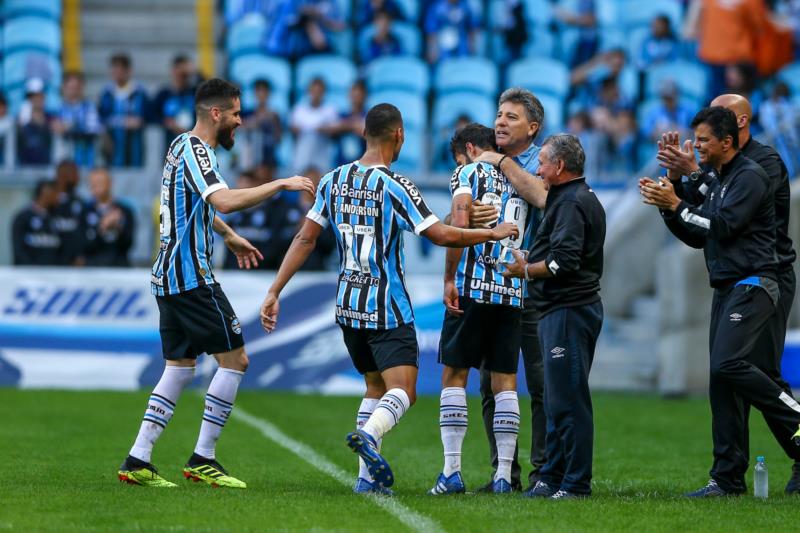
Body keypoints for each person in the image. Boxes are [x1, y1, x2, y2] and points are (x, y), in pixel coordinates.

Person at [259, 103, 519, 495]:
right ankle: (368, 433)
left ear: (365, 134)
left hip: (347, 306)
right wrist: (492, 233)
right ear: (398, 135)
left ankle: (366, 480)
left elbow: (305, 239)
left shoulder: (333, 179)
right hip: (387, 306)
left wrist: (274, 290)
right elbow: (442, 236)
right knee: (403, 390)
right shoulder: (397, 185)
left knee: (374, 387)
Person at [117, 78, 315, 489]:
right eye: (236, 114)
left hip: (168, 277)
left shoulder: (179, 146)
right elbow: (221, 199)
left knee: (179, 367)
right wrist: (281, 183)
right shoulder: (197, 151)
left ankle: (138, 459)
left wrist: (225, 234)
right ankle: (203, 457)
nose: (240, 122)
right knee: (236, 360)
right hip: (191, 278)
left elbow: (192, 204)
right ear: (215, 113)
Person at [641, 106, 800, 497]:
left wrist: (678, 200)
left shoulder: (754, 171)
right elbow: (699, 234)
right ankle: (727, 478)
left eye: (704, 141)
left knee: (732, 364)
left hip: (758, 282)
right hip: (729, 284)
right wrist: (670, 200)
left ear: (729, 139)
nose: (696, 147)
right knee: (723, 378)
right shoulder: (725, 175)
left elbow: (721, 224)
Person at [429, 123, 534, 495]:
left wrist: (448, 278)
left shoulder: (468, 170)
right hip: (512, 287)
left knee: (455, 375)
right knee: (504, 380)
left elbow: (459, 222)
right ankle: (504, 476)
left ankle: (452, 473)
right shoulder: (521, 176)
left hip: (473, 285)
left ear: (470, 149)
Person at [501, 134, 605, 499]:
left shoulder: (572, 203)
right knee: (557, 400)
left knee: (568, 400)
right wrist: (529, 259)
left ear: (559, 167)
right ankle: (552, 478)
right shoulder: (569, 198)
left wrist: (526, 271)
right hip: (558, 310)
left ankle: (575, 484)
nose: (538, 170)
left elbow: (564, 262)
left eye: (543, 163)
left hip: (568, 310)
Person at [469, 88, 547, 494]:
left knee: (538, 383)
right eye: (499, 114)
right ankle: (504, 473)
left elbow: (541, 197)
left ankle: (543, 474)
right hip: (491, 287)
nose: (500, 121)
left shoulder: (543, 161)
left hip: (530, 287)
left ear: (532, 128)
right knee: (490, 385)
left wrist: (500, 161)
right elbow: (459, 217)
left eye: (511, 117)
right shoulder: (479, 165)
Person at [222, 169, 301, 270]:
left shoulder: (273, 213)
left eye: (246, 185)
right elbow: (228, 248)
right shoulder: (232, 216)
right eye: (240, 186)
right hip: (235, 273)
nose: (241, 190)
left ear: (255, 186)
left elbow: (276, 246)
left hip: (263, 273)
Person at [98, 53, 148, 167]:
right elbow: (101, 118)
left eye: (121, 70)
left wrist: (140, 121)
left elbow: (149, 117)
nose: (118, 74)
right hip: (113, 146)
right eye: (115, 70)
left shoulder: (139, 93)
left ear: (128, 71)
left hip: (135, 146)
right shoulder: (107, 94)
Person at [83, 168, 136, 267]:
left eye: (99, 182)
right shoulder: (84, 211)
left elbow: (129, 244)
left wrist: (119, 227)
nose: (95, 187)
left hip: (119, 268)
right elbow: (84, 246)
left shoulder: (125, 211)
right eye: (92, 183)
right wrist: (102, 226)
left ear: (110, 183)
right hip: (92, 270)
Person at [289, 77, 339, 174]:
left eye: (319, 91)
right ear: (309, 91)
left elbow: (335, 131)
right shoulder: (299, 109)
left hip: (322, 157)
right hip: (302, 155)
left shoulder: (330, 110)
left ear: (323, 93)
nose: (316, 94)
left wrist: (324, 129)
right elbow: (292, 129)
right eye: (314, 91)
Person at [152, 55, 200, 153]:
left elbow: (212, 92)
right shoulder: (164, 94)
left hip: (192, 142)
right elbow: (151, 114)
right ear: (173, 71)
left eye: (185, 75)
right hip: (169, 142)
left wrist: (197, 72)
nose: (182, 77)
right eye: (180, 74)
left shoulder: (195, 92)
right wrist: (166, 122)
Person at [53, 72, 102, 168]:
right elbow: (54, 127)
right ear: (64, 88)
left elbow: (94, 128)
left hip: (86, 156)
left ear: (82, 88)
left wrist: (72, 125)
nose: (74, 91)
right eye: (70, 87)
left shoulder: (89, 107)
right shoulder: (57, 108)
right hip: (63, 156)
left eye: (77, 87)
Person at [12, 180, 61, 265]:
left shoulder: (57, 217)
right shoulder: (22, 218)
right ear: (46, 193)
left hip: (54, 274)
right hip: (28, 275)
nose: (58, 197)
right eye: (56, 193)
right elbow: (19, 251)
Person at [51, 160, 89, 266]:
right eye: (73, 172)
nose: (78, 177)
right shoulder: (49, 201)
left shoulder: (82, 204)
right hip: (50, 264)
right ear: (60, 175)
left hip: (76, 266)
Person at [242, 79, 283, 168]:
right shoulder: (247, 113)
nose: (261, 95)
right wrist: (256, 122)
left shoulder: (274, 115)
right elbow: (239, 130)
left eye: (264, 91)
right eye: (259, 91)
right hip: (250, 157)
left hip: (268, 158)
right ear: (255, 93)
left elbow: (278, 139)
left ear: (268, 94)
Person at [424, 0, 479, 64]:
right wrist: (432, 50)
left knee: (464, 60)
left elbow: (473, 26)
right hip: (442, 42)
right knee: (443, 62)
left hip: (462, 41)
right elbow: (431, 30)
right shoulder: (436, 7)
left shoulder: (466, 5)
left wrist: (473, 46)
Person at [16, 78, 54, 166]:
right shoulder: (20, 120)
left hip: (46, 167)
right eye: (33, 96)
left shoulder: (51, 118)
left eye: (39, 95)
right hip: (25, 168)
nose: (37, 99)